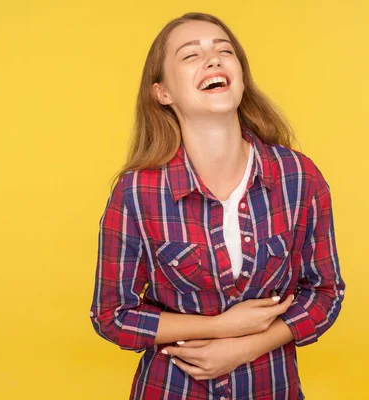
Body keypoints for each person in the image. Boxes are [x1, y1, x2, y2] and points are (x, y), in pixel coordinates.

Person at [90, 11, 346, 400]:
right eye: (190, 55)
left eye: (224, 51)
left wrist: (244, 346)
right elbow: (112, 316)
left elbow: (325, 294)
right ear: (162, 93)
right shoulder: (136, 193)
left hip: (272, 388)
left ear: (239, 74)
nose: (213, 59)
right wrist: (219, 327)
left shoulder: (298, 176)